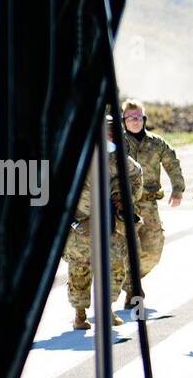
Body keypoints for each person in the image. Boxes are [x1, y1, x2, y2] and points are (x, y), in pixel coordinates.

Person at [65, 117, 143, 330]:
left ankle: (106, 309)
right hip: (80, 224)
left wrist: (122, 195)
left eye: (112, 132)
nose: (109, 136)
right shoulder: (71, 158)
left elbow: (136, 177)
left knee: (115, 266)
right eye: (106, 132)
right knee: (79, 270)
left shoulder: (116, 158)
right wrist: (73, 224)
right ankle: (80, 314)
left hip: (109, 222)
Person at [119, 99, 185, 306]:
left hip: (148, 203)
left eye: (138, 117)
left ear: (144, 119)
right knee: (128, 248)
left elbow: (172, 164)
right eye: (131, 118)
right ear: (124, 120)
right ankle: (132, 290)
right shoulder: (116, 143)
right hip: (123, 205)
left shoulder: (156, 143)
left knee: (154, 249)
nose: (135, 121)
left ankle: (132, 281)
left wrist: (178, 189)